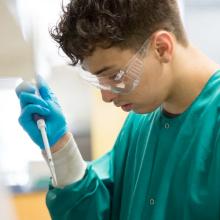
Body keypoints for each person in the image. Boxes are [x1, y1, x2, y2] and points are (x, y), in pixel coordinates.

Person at [16, 0, 220, 219]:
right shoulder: (141, 122)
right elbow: (99, 209)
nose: (106, 96)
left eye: (115, 76)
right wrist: (60, 147)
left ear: (162, 48)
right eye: (99, 81)